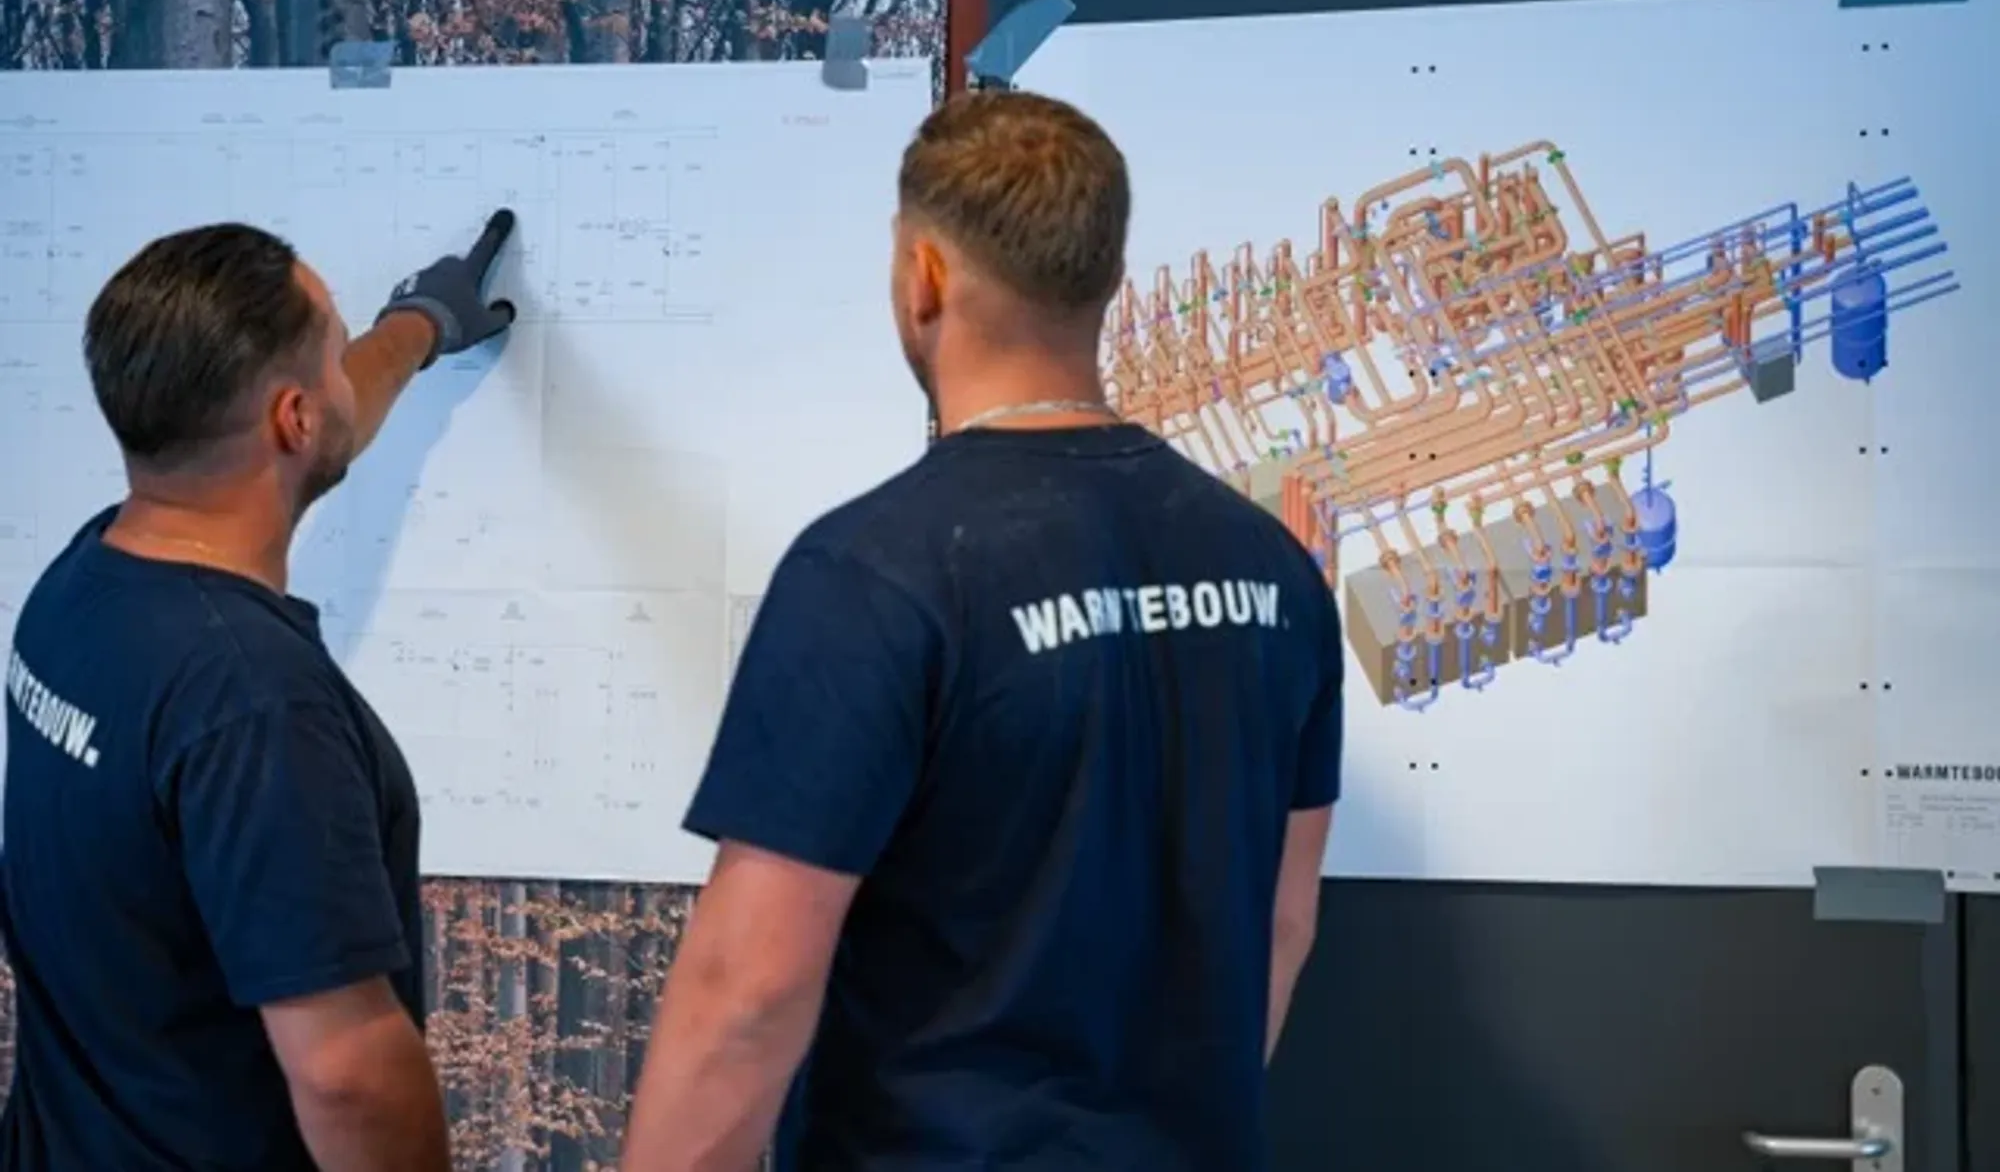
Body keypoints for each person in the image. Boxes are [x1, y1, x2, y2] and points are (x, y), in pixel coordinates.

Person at [621, 91, 1344, 1171]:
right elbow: (1281, 927)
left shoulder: (873, 570)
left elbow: (750, 993)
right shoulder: (1274, 568)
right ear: (1105, 276)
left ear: (924, 277)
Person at [0, 211, 518, 1171]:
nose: (345, 369)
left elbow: (320, 428)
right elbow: (348, 1077)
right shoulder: (256, 706)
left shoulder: (81, 584)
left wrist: (416, 327)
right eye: (335, 350)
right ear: (294, 418)